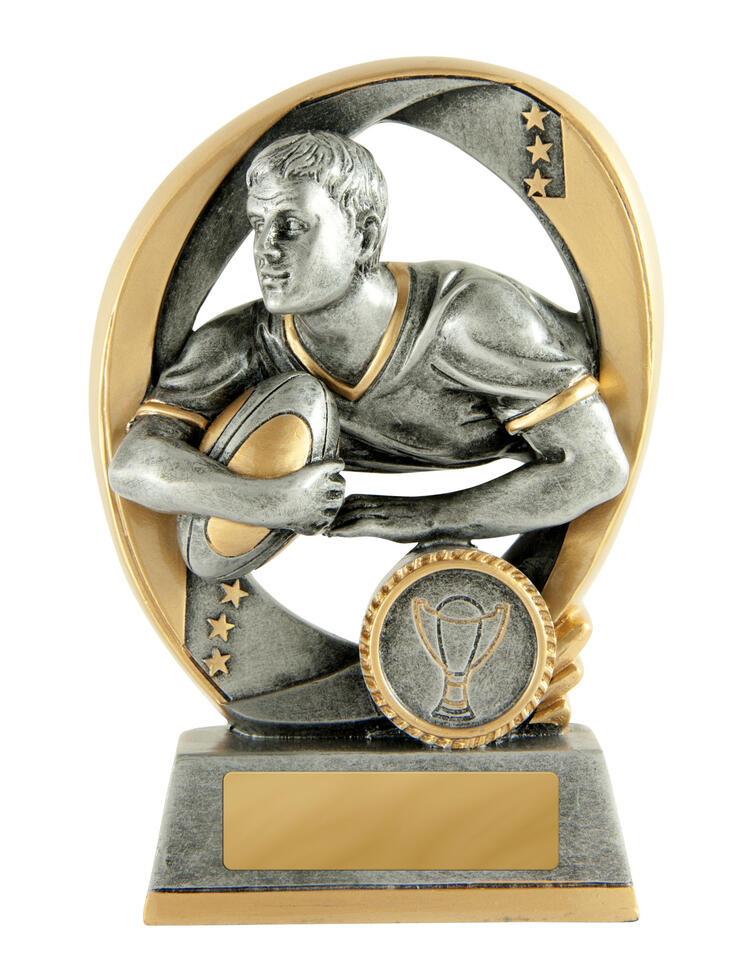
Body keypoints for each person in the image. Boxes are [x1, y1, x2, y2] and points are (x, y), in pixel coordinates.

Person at [109, 131, 628, 550]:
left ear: (365, 235)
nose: (266, 249)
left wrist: (427, 518)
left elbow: (595, 468)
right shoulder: (243, 344)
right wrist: (267, 502)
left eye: (291, 224)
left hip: (626, 391)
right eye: (257, 224)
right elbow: (133, 464)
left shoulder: (469, 316)